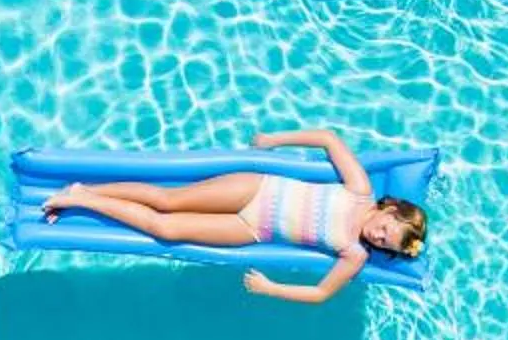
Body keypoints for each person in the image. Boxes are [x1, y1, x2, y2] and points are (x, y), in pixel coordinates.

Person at [40, 126, 426, 304]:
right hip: (258, 189)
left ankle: (83, 199)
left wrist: (271, 288)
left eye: (384, 243)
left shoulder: (355, 255)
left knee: (166, 229)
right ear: (390, 209)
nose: (377, 237)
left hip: (251, 227)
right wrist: (275, 141)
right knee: (166, 200)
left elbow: (321, 293)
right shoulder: (360, 191)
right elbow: (329, 138)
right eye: (385, 229)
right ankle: (86, 190)